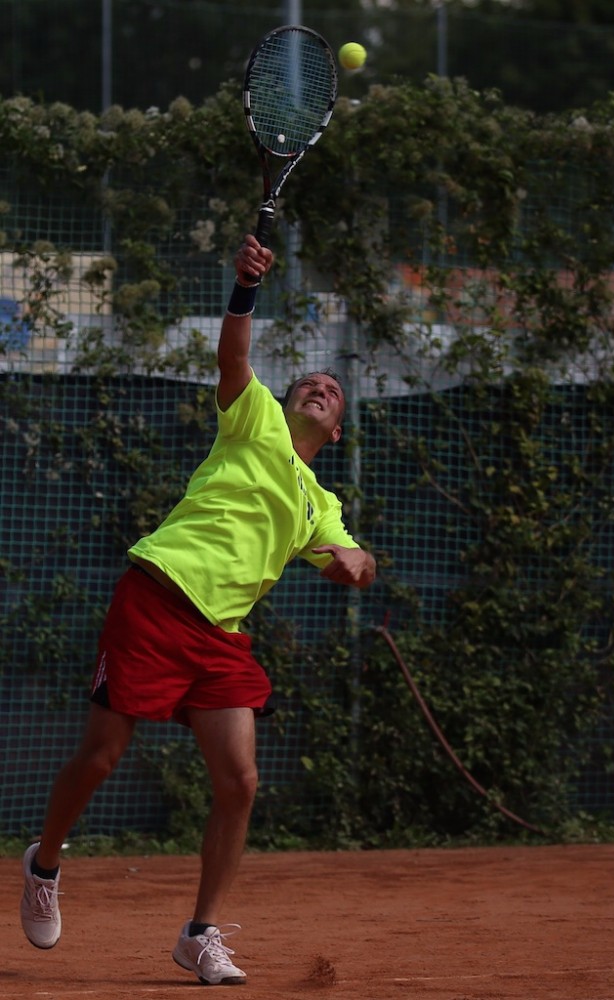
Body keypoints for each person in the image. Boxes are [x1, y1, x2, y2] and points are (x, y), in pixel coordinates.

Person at [19, 233, 376, 985]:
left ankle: (200, 934)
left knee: (239, 783)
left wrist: (357, 562)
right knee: (102, 756)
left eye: (331, 390)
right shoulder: (255, 418)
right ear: (285, 402)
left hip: (221, 638)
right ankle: (44, 864)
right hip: (156, 599)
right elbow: (233, 355)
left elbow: (355, 563)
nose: (319, 387)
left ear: (337, 429)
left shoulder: (322, 504)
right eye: (309, 383)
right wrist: (246, 286)